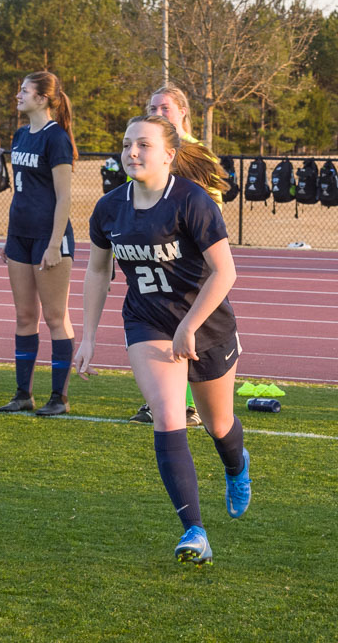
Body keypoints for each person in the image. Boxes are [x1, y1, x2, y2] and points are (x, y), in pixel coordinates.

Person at [73, 114, 251, 566]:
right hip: (147, 322)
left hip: (205, 324)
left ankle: (236, 466)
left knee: (219, 425)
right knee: (169, 416)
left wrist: (189, 324)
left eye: (144, 145)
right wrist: (88, 335)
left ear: (169, 154)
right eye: (127, 144)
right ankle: (195, 531)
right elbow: (98, 269)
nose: (132, 152)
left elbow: (225, 272)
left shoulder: (191, 201)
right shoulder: (109, 207)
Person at [0, 71, 81, 417]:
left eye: (24, 91)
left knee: (56, 317)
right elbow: (22, 192)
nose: (18, 95)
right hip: (19, 237)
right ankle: (22, 394)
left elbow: (64, 198)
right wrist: (9, 236)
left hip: (50, 240)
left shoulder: (55, 138)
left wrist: (53, 243)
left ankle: (59, 397)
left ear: (43, 99)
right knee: (24, 316)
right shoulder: (19, 135)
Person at [130, 84, 209, 426]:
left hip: (187, 255)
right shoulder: (143, 147)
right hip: (154, 253)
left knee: (189, 330)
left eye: (165, 108)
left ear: (182, 112)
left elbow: (210, 203)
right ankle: (164, 402)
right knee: (157, 325)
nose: (158, 113)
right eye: (153, 108)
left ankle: (190, 403)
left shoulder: (196, 151)